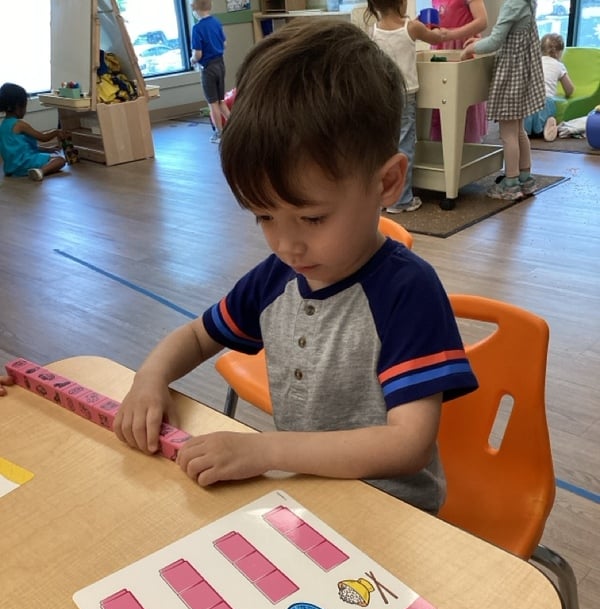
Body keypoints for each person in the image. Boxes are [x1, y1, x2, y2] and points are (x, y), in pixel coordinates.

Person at [107, 20, 477, 513]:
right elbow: (197, 336)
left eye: (312, 218)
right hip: (305, 499)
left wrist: (266, 451)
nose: (286, 245)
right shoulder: (278, 277)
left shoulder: (407, 291)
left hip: (392, 512)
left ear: (386, 184)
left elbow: (407, 445)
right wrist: (150, 378)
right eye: (264, 216)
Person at [461, 0, 545, 200]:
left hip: (511, 76)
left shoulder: (512, 5)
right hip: (523, 74)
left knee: (508, 134)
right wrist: (478, 43)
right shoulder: (527, 3)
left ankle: (511, 182)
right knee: (519, 131)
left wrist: (470, 49)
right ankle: (525, 177)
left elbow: (495, 42)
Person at [366, 0, 444, 212]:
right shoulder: (412, 27)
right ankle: (401, 200)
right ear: (401, 2)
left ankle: (384, 198)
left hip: (382, 93)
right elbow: (436, 37)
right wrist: (436, 27)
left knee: (385, 145)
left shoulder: (372, 31)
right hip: (405, 93)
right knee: (405, 145)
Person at [430, 0, 489, 142]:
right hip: (442, 49)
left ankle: (467, 143)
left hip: (463, 49)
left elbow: (482, 21)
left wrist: (451, 34)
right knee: (442, 98)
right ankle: (443, 143)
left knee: (463, 98)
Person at [0, 82, 68, 181]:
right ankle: (40, 171)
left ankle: (35, 170)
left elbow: (22, 147)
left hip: (11, 168)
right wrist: (56, 132)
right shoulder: (19, 124)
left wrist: (48, 150)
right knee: (60, 160)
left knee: (50, 156)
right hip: (26, 163)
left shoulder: (3, 125)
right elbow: (43, 137)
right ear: (18, 107)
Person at [190, 0, 230, 144]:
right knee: (221, 101)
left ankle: (220, 134)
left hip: (208, 68)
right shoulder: (216, 22)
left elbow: (198, 54)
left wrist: (192, 60)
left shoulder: (197, 28)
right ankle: (236, 128)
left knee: (212, 103)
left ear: (195, 10)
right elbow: (224, 44)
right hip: (220, 64)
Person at [524, 33, 575, 142]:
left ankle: (525, 130)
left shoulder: (533, 62)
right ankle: (546, 125)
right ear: (560, 52)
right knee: (546, 110)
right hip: (545, 101)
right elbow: (569, 89)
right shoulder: (559, 66)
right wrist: (567, 94)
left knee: (524, 120)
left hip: (526, 101)